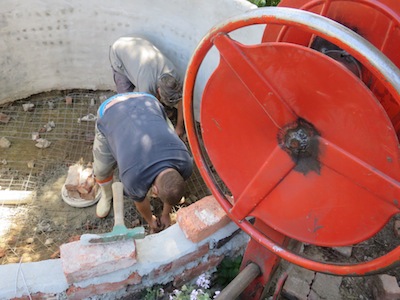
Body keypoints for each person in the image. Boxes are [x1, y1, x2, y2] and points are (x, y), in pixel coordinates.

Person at [93, 92, 193, 232]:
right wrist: (150, 221)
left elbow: (170, 187)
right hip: (111, 110)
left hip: (148, 101)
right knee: (101, 170)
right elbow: (140, 202)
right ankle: (106, 195)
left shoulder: (186, 162)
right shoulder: (133, 177)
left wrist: (166, 214)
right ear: (155, 191)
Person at [109, 36, 185, 138]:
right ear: (158, 90)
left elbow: (182, 100)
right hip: (119, 53)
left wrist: (179, 127)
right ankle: (128, 131)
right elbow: (145, 110)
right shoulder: (147, 85)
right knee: (127, 103)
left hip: (139, 53)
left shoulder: (175, 78)